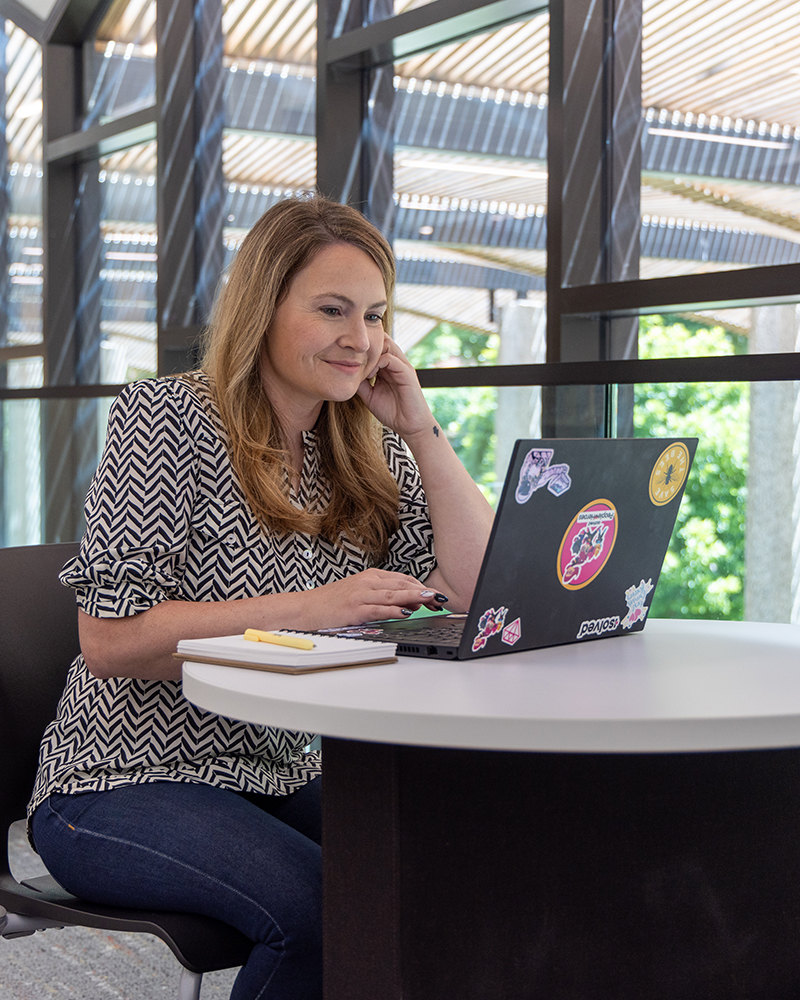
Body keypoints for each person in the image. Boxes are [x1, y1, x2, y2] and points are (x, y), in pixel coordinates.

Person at [27, 195, 495, 1000]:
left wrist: (421, 428)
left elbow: (475, 592)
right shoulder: (168, 417)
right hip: (120, 780)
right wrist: (314, 607)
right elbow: (110, 642)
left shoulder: (364, 444)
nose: (362, 338)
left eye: (377, 315)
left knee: (437, 881)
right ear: (265, 309)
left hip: (276, 772)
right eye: (332, 310)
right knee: (323, 911)